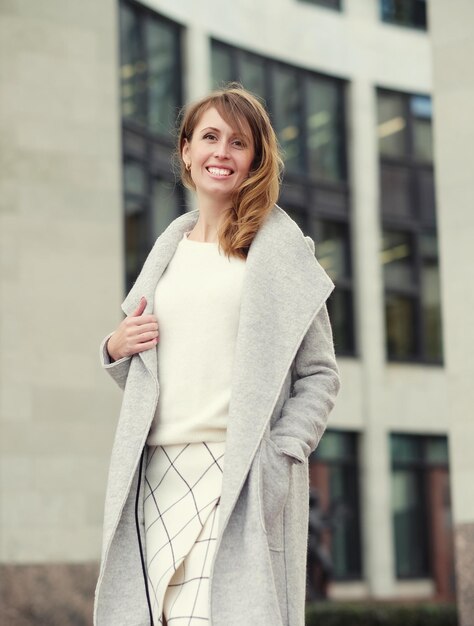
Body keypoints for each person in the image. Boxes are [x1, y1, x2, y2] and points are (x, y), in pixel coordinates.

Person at [94, 83, 340, 626]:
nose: (222, 153)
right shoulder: (168, 250)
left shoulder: (280, 251)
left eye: (238, 143)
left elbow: (320, 374)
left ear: (255, 159)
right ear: (186, 150)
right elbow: (157, 374)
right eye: (209, 137)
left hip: (239, 469)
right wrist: (115, 348)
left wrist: (282, 453)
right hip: (157, 469)